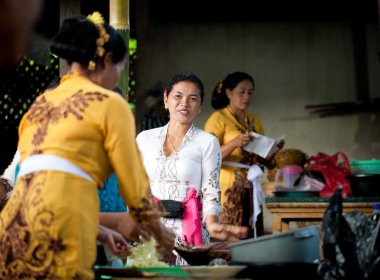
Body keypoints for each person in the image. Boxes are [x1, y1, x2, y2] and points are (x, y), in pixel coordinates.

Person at [0, 13, 174, 279]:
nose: (118, 76)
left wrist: (100, 231)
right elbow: (135, 189)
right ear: (106, 61)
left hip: (12, 230)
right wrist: (162, 235)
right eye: (119, 67)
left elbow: (42, 186)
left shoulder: (40, 106)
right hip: (61, 234)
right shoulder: (109, 103)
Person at [136, 73, 248, 265]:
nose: (184, 103)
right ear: (166, 100)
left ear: (200, 106)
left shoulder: (207, 142)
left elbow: (211, 190)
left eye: (193, 98)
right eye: (178, 96)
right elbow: (134, 186)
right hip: (149, 229)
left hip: (189, 236)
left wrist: (212, 224)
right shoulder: (144, 139)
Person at [204, 72, 284, 237]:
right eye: (242, 92)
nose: (246, 96)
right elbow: (208, 156)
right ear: (228, 93)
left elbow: (260, 158)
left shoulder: (255, 121)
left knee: (251, 233)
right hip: (227, 187)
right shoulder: (218, 118)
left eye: (250, 92)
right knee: (228, 236)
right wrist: (234, 143)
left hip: (251, 185)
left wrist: (273, 149)